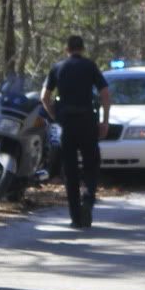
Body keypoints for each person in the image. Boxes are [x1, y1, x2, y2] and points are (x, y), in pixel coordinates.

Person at [41, 35, 111, 229]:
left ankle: (75, 217)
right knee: (91, 165)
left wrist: (55, 115)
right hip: (87, 122)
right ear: (83, 48)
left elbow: (44, 97)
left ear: (67, 49)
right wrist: (105, 121)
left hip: (67, 124)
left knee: (70, 170)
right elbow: (105, 93)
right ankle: (88, 199)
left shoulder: (58, 68)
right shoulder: (90, 66)